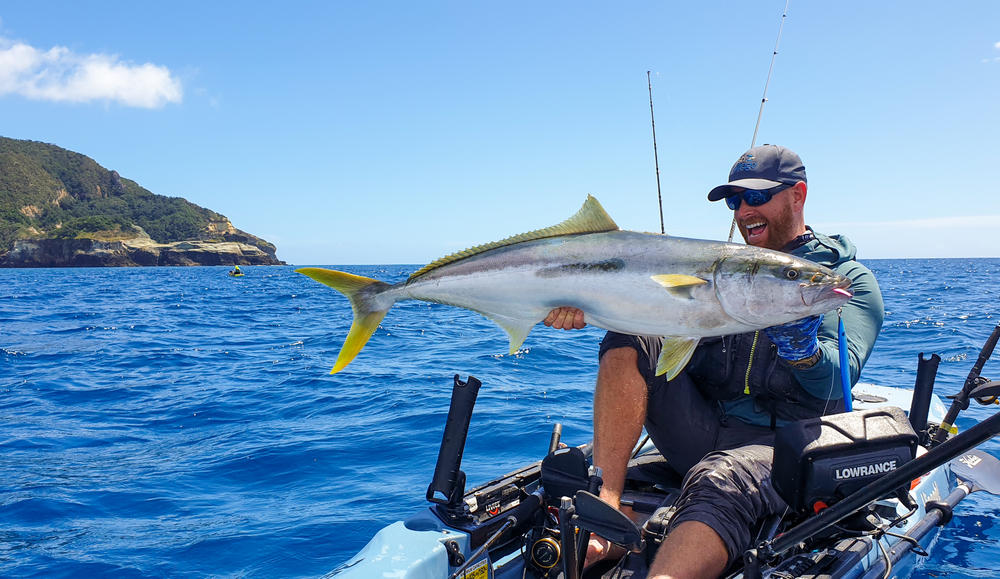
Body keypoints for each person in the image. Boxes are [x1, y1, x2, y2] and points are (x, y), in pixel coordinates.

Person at [544, 144, 884, 579]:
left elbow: (839, 380)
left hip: (784, 450)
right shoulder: (719, 268)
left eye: (756, 196)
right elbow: (640, 313)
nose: (743, 211)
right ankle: (608, 505)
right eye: (734, 200)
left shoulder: (845, 280)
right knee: (630, 336)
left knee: (720, 477)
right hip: (699, 432)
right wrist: (582, 308)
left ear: (797, 195)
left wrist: (805, 352)